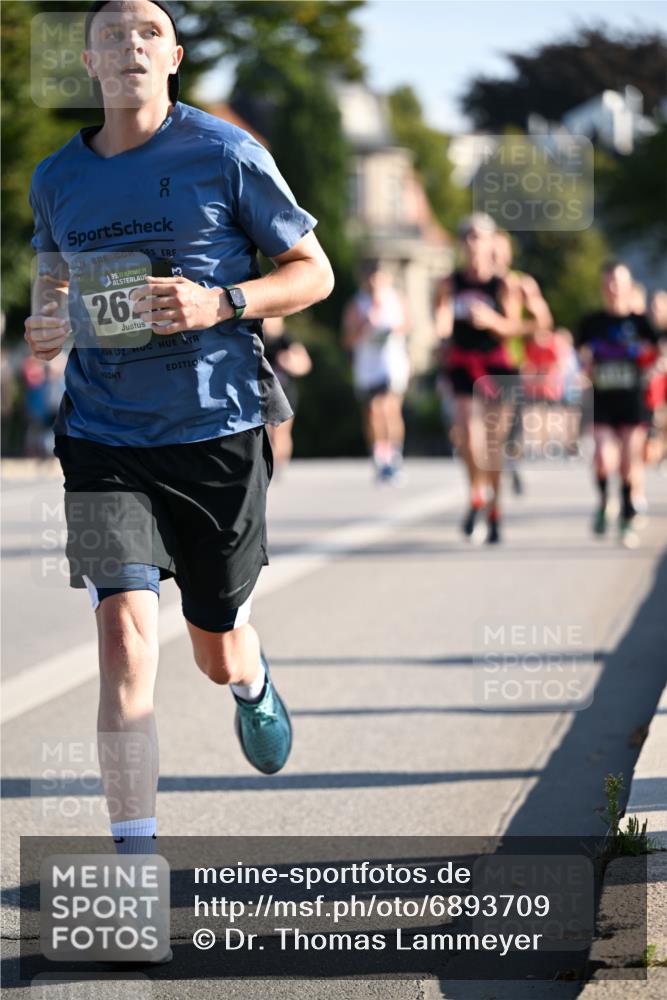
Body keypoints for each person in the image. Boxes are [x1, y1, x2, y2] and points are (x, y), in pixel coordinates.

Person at [24, 0, 334, 883]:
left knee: (211, 646)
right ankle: (135, 866)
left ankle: (250, 675)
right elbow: (54, 282)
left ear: (174, 58)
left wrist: (222, 301)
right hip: (100, 433)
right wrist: (47, 325)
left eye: (147, 34)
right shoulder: (58, 177)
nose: (129, 47)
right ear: (88, 63)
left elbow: (314, 272)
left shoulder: (226, 153)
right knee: (124, 641)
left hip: (215, 430)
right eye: (111, 37)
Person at [435, 215, 528, 544]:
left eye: (480, 237)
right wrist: (442, 330)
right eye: (469, 237)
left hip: (495, 366)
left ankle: (495, 508)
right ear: (462, 244)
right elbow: (442, 315)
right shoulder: (451, 282)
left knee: (492, 446)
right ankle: (476, 492)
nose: (474, 243)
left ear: (492, 243)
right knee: (466, 435)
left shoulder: (503, 284)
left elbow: (515, 327)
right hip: (462, 361)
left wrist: (491, 320)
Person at [576, 261, 658, 546]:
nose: (613, 289)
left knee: (628, 462)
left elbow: (658, 354)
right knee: (602, 460)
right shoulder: (591, 322)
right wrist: (583, 367)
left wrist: (652, 363)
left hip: (633, 400)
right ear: (603, 287)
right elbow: (579, 356)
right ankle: (603, 503)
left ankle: (626, 518)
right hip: (602, 400)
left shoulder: (640, 323)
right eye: (608, 283)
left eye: (618, 283)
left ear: (628, 286)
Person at [493, 230, 553, 492]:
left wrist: (513, 327)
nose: (495, 257)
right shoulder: (471, 284)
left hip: (510, 361)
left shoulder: (520, 283)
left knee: (510, 421)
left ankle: (510, 461)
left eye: (500, 251)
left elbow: (543, 321)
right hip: (477, 364)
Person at [342, 261, 410, 482]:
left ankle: (395, 455)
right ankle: (380, 455)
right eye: (371, 278)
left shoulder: (396, 300)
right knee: (372, 411)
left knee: (388, 407)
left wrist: (392, 329)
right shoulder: (357, 304)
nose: (375, 283)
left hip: (392, 364)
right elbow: (347, 340)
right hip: (367, 366)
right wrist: (364, 326)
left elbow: (407, 325)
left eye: (379, 278)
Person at [262, 315, 312, 476]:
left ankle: (279, 463)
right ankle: (270, 462)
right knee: (268, 432)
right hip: (264, 392)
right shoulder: (258, 339)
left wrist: (291, 362)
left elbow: (304, 365)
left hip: (285, 392)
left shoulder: (287, 340)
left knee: (281, 431)